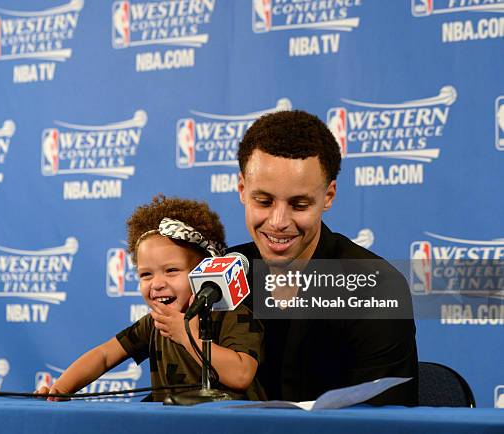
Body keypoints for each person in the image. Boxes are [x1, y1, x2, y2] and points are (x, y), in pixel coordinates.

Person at [231, 110, 418, 405]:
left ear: (328, 197)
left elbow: (386, 422)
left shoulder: (376, 287)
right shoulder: (218, 274)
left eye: (299, 204)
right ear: (242, 189)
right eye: (263, 201)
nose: (278, 221)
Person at [37, 195, 266, 402]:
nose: (157, 284)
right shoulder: (155, 323)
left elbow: (241, 375)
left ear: (205, 270)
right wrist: (60, 389)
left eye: (172, 271)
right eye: (146, 274)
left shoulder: (234, 315)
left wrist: (188, 337)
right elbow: (104, 356)